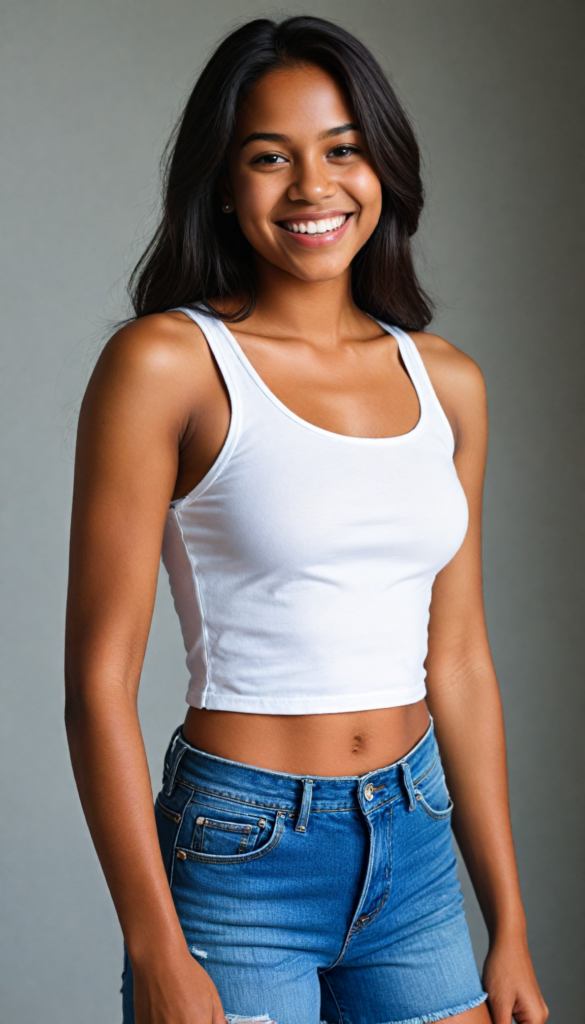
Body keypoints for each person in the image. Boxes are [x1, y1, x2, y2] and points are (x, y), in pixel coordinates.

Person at [64, 16, 548, 1024]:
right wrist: (155, 944)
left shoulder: (449, 381)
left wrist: (508, 923)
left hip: (415, 849)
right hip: (239, 856)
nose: (312, 186)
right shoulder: (166, 365)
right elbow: (98, 683)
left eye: (342, 149)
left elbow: (457, 660)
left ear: (383, 165)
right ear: (224, 181)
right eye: (268, 157)